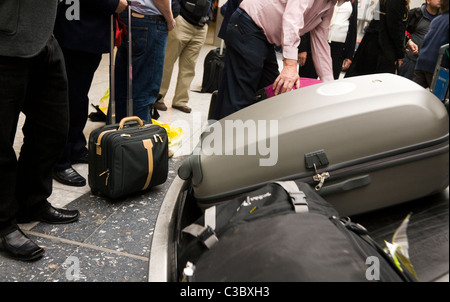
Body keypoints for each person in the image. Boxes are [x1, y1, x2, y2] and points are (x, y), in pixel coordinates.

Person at [0, 0, 80, 261]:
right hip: (5, 42)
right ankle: (2, 224)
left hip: (44, 38)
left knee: (53, 127)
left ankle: (30, 201)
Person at [210, 0, 338, 121]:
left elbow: (321, 44)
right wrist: (290, 65)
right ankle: (226, 141)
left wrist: (329, 84)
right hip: (248, 25)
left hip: (264, 37)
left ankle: (237, 135)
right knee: (240, 96)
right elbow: (292, 19)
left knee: (271, 93)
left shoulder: (329, 6)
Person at [52, 0, 128, 187]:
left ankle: (75, 146)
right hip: (75, 34)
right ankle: (58, 159)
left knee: (78, 96)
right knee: (69, 99)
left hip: (84, 33)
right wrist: (116, 3)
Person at [114, 0, 176, 123]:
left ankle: (121, 135)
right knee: (144, 89)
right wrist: (170, 19)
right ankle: (140, 139)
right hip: (149, 20)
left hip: (128, 15)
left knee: (124, 88)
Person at [155, 0, 213, 114]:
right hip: (182, 21)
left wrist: (208, 18)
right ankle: (158, 97)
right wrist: (175, 15)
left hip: (201, 26)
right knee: (167, 61)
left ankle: (180, 101)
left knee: (189, 67)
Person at [345, 0, 410, 77]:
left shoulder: (383, 1)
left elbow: (375, 19)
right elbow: (395, 29)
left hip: (371, 44)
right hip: (383, 49)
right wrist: (400, 55)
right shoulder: (397, 2)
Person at [299, 0, 358, 80]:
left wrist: (349, 55)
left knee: (330, 83)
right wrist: (302, 48)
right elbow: (304, 20)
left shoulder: (352, 2)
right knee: (307, 79)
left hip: (338, 48)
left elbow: (353, 27)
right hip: (314, 43)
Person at [398, 0, 441, 80]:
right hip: (411, 61)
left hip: (429, 65)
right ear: (428, 1)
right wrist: (400, 55)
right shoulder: (416, 14)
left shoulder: (441, 18)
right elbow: (400, 31)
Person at [413, 0, 449, 88]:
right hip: (438, 66)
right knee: (439, 99)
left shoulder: (436, 20)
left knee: (416, 96)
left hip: (421, 63)